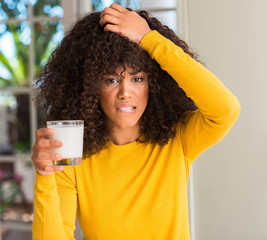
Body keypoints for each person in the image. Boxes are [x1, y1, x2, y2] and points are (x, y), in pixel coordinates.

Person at [31, 3, 240, 240]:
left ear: (154, 83)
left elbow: (226, 110)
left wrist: (149, 39)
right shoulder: (71, 154)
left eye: (137, 78)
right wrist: (45, 175)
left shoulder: (178, 137)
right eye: (110, 79)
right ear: (89, 87)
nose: (125, 92)